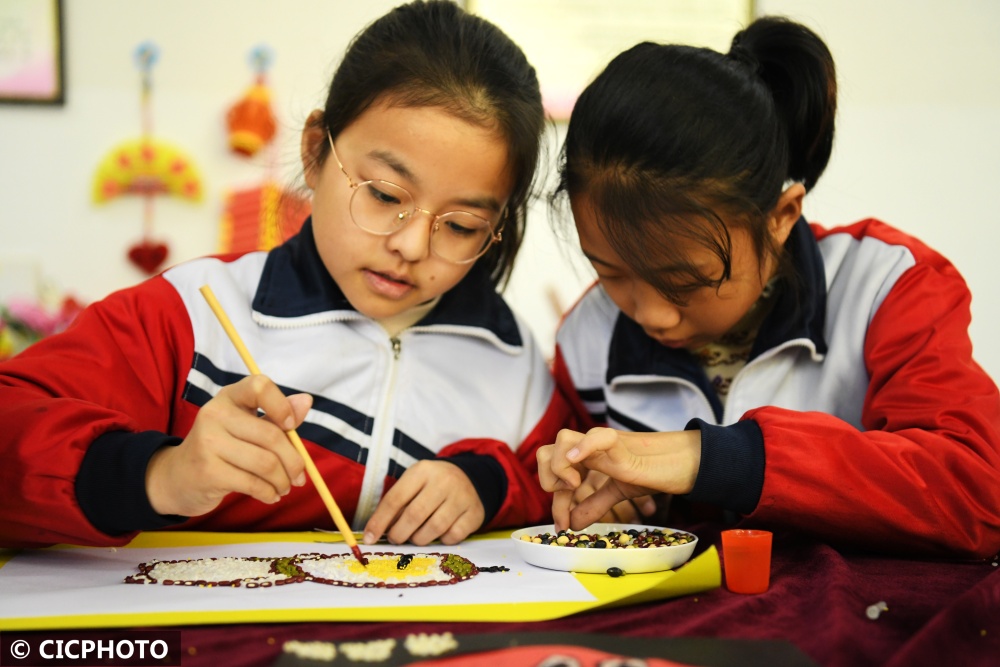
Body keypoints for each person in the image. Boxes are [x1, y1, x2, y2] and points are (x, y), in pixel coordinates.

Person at [0, 0, 570, 549]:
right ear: (316, 151)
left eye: (462, 225)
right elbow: (13, 426)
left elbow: (576, 492)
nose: (412, 245)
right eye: (383, 193)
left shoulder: (513, 363)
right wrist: (160, 474)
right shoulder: (192, 315)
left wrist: (486, 483)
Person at [537, 16, 1000, 559]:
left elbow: (976, 492)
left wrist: (718, 459)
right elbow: (563, 477)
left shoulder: (886, 288)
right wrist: (597, 494)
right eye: (610, 271)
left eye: (684, 281)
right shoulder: (588, 340)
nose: (653, 315)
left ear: (780, 217)